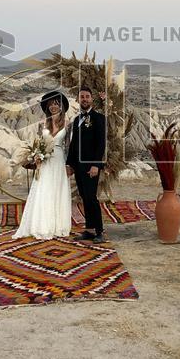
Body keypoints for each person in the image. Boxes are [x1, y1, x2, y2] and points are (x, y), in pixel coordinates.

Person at [12, 91, 72, 240]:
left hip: (59, 160)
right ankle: (42, 225)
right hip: (44, 161)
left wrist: (69, 165)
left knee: (57, 189)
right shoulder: (42, 124)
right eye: (51, 104)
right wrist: (37, 155)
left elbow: (69, 146)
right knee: (43, 188)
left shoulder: (67, 124)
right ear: (47, 107)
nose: (53, 106)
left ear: (61, 106)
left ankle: (58, 226)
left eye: (56, 103)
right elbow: (39, 142)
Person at [65, 86, 107, 243]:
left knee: (91, 197)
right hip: (78, 166)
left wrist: (96, 165)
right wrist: (69, 164)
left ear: (92, 99)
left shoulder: (99, 118)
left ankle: (99, 231)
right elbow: (73, 144)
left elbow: (101, 144)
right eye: (82, 96)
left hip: (91, 166)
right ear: (78, 99)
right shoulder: (77, 120)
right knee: (84, 197)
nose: (84, 99)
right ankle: (89, 230)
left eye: (87, 96)